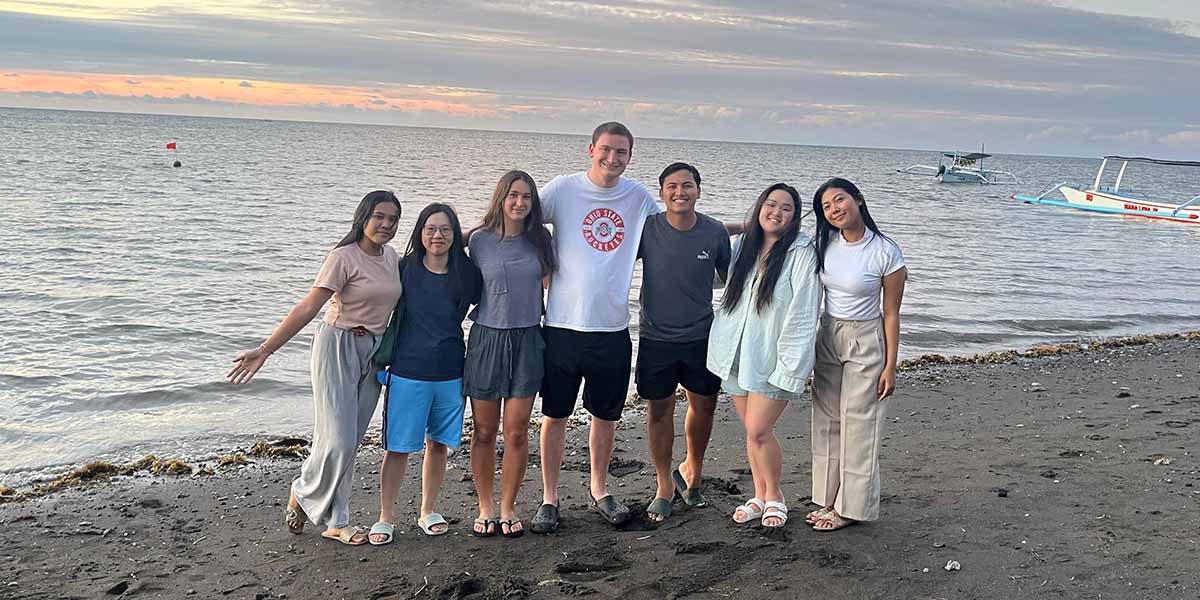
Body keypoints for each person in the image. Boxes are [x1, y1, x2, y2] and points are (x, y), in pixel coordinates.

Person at [226, 190, 403, 546]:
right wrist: (265, 349)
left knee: (350, 441)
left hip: (374, 351)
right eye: (379, 217)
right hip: (337, 345)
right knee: (336, 440)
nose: (385, 225)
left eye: (393, 219)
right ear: (363, 218)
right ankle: (310, 496)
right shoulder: (342, 257)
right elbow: (308, 307)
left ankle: (333, 516)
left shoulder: (392, 257)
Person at [530, 122, 664, 533]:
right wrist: (541, 263)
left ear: (630, 156)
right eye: (606, 150)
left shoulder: (639, 197)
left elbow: (680, 227)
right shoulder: (563, 189)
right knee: (554, 415)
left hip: (612, 330)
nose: (612, 158)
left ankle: (600, 490)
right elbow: (518, 218)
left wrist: (744, 231)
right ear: (590, 149)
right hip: (561, 327)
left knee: (605, 417)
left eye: (621, 152)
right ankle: (550, 497)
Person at [707, 183, 821, 529]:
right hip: (735, 350)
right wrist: (733, 228)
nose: (777, 212)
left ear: (795, 217)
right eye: (771, 205)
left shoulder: (801, 253)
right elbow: (712, 276)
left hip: (772, 357)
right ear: (759, 208)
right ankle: (758, 495)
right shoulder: (743, 245)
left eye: (786, 208)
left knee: (759, 429)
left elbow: (804, 312)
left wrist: (792, 366)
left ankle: (775, 496)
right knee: (752, 430)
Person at [368, 203, 482, 544]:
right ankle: (386, 516)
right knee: (398, 447)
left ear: (455, 234)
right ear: (419, 232)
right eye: (430, 228)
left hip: (451, 371)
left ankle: (428, 510)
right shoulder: (404, 269)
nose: (437, 235)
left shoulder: (468, 273)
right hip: (407, 371)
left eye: (445, 229)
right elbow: (372, 295)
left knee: (438, 446)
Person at [806, 177, 907, 532]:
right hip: (829, 335)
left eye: (840, 200)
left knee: (860, 424)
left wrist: (890, 366)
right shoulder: (825, 245)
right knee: (827, 420)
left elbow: (891, 313)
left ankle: (853, 508)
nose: (835, 210)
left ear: (859, 200)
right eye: (827, 207)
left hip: (867, 338)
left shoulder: (886, 251)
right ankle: (829, 498)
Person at [636, 162, 731, 524]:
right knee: (658, 411)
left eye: (687, 185)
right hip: (655, 336)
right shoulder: (647, 230)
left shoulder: (714, 232)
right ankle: (663, 485)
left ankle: (693, 472)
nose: (680, 192)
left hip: (702, 336)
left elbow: (729, 277)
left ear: (698, 191)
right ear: (661, 194)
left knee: (703, 407)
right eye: (672, 186)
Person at [463, 170, 556, 538]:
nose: (519, 202)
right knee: (484, 431)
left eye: (527, 197)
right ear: (501, 198)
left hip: (528, 340)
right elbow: (441, 265)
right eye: (513, 195)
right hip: (486, 339)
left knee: (516, 432)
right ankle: (485, 506)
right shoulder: (478, 240)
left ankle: (507, 507)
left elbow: (559, 285)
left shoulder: (541, 241)